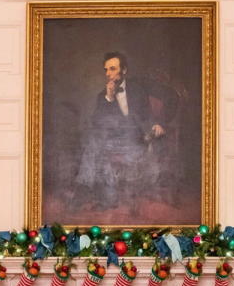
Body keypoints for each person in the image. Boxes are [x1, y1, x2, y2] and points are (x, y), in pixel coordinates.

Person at [75, 52, 180, 208]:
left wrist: (160, 123)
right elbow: (97, 123)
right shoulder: (102, 96)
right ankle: (92, 192)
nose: (108, 74)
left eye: (112, 69)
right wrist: (109, 99)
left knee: (95, 145)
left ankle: (93, 194)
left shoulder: (139, 88)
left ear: (123, 70)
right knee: (94, 142)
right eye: (106, 70)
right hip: (113, 141)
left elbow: (169, 99)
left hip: (138, 139)